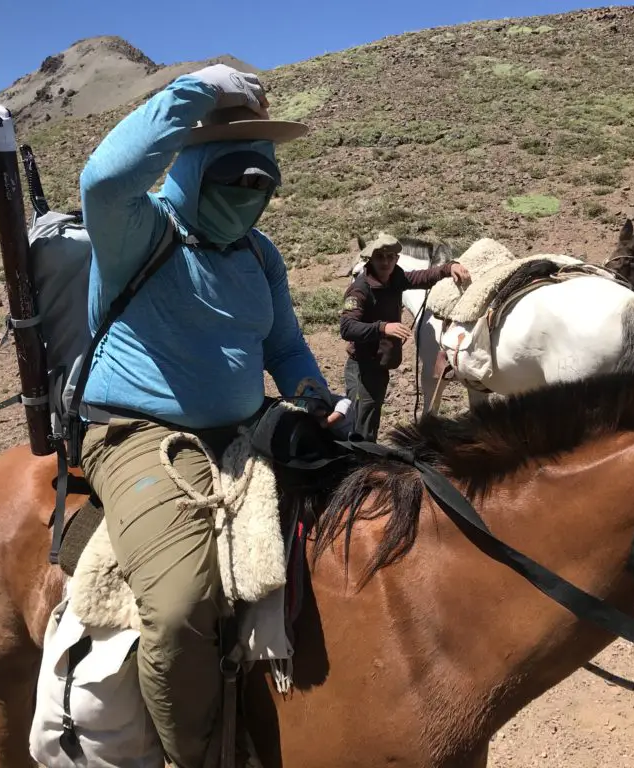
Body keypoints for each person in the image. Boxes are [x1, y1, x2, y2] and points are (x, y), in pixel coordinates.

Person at [77, 64, 351, 767]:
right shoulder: (140, 230)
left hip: (242, 428)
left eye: (262, 183)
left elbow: (285, 343)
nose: (250, 195)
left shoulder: (259, 255)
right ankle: (195, 757)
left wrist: (313, 392)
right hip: (138, 432)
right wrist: (197, 89)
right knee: (175, 607)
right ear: (195, 169)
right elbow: (104, 180)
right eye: (235, 178)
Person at [340, 233, 469, 441]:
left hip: (378, 364)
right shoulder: (360, 290)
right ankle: (361, 464)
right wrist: (383, 328)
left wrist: (450, 267)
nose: (385, 262)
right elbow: (347, 327)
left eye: (390, 257)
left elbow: (425, 276)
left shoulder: (395, 279)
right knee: (362, 422)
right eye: (380, 257)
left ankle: (362, 460)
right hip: (363, 365)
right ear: (370, 259)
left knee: (368, 418)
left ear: (397, 260)